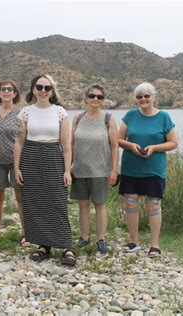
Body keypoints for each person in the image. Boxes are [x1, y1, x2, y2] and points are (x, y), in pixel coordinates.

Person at [14, 74, 75, 266]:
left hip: (53, 156)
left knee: (57, 201)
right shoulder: (25, 112)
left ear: (52, 91)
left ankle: (66, 246)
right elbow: (19, 141)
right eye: (39, 87)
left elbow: (66, 145)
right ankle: (44, 246)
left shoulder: (60, 112)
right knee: (35, 202)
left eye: (47, 88)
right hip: (30, 157)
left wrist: (67, 171)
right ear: (33, 89)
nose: (42, 91)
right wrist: (16, 167)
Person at [118, 82, 177, 257]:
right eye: (139, 97)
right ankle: (134, 242)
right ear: (136, 100)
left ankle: (154, 245)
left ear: (153, 97)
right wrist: (131, 145)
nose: (143, 99)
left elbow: (173, 142)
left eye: (146, 96)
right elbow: (118, 139)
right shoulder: (130, 115)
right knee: (130, 203)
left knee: (153, 204)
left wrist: (154, 148)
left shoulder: (164, 117)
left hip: (154, 169)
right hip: (131, 168)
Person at [70, 83, 119, 254]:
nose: (95, 99)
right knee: (83, 205)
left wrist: (114, 170)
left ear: (103, 100)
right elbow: (71, 144)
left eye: (99, 97)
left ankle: (101, 240)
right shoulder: (77, 118)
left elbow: (114, 146)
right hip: (80, 169)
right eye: (92, 96)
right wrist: (68, 167)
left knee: (100, 204)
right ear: (86, 98)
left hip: (100, 169)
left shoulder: (108, 119)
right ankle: (84, 238)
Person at [0, 81, 29, 246]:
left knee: (20, 196)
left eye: (9, 89)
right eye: (3, 89)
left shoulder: (21, 113)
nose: (6, 92)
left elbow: (25, 138)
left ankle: (26, 232)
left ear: (15, 93)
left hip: (17, 161)